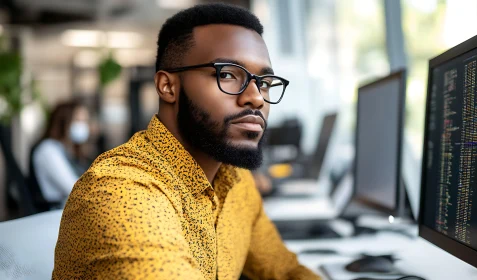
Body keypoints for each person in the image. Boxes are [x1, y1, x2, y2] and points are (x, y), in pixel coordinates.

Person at [53, 4, 320, 279]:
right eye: (227, 74)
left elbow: (284, 270)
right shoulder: (121, 193)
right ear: (168, 87)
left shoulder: (236, 181)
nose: (256, 97)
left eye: (263, 81)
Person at [29, 100, 90, 210]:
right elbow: (73, 188)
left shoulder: (66, 150)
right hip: (56, 213)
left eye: (85, 121)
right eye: (77, 120)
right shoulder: (48, 150)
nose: (82, 125)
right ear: (63, 121)